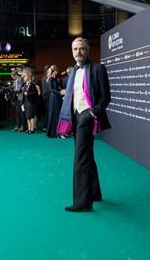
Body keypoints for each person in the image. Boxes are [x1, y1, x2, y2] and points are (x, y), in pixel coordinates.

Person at [57, 37, 111, 212]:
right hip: (74, 117)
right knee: (86, 155)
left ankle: (82, 202)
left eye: (81, 48)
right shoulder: (72, 72)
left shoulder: (98, 69)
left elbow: (105, 97)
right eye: (75, 49)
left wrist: (92, 112)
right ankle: (95, 193)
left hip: (87, 116)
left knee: (80, 159)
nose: (78, 52)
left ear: (88, 50)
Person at [46, 65, 63, 138]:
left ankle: (56, 132)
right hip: (54, 99)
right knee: (55, 114)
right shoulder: (51, 79)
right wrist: (59, 92)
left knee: (56, 114)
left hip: (55, 98)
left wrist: (60, 91)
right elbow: (50, 89)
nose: (57, 72)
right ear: (55, 71)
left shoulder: (54, 79)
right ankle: (55, 133)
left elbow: (55, 88)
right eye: (57, 71)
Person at [22, 68, 39, 133]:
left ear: (28, 77)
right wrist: (23, 103)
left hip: (31, 102)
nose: (24, 78)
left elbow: (35, 92)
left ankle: (32, 129)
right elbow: (23, 95)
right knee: (27, 116)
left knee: (31, 116)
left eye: (25, 76)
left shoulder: (32, 84)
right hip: (26, 102)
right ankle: (29, 128)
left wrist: (28, 94)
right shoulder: (25, 85)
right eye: (24, 77)